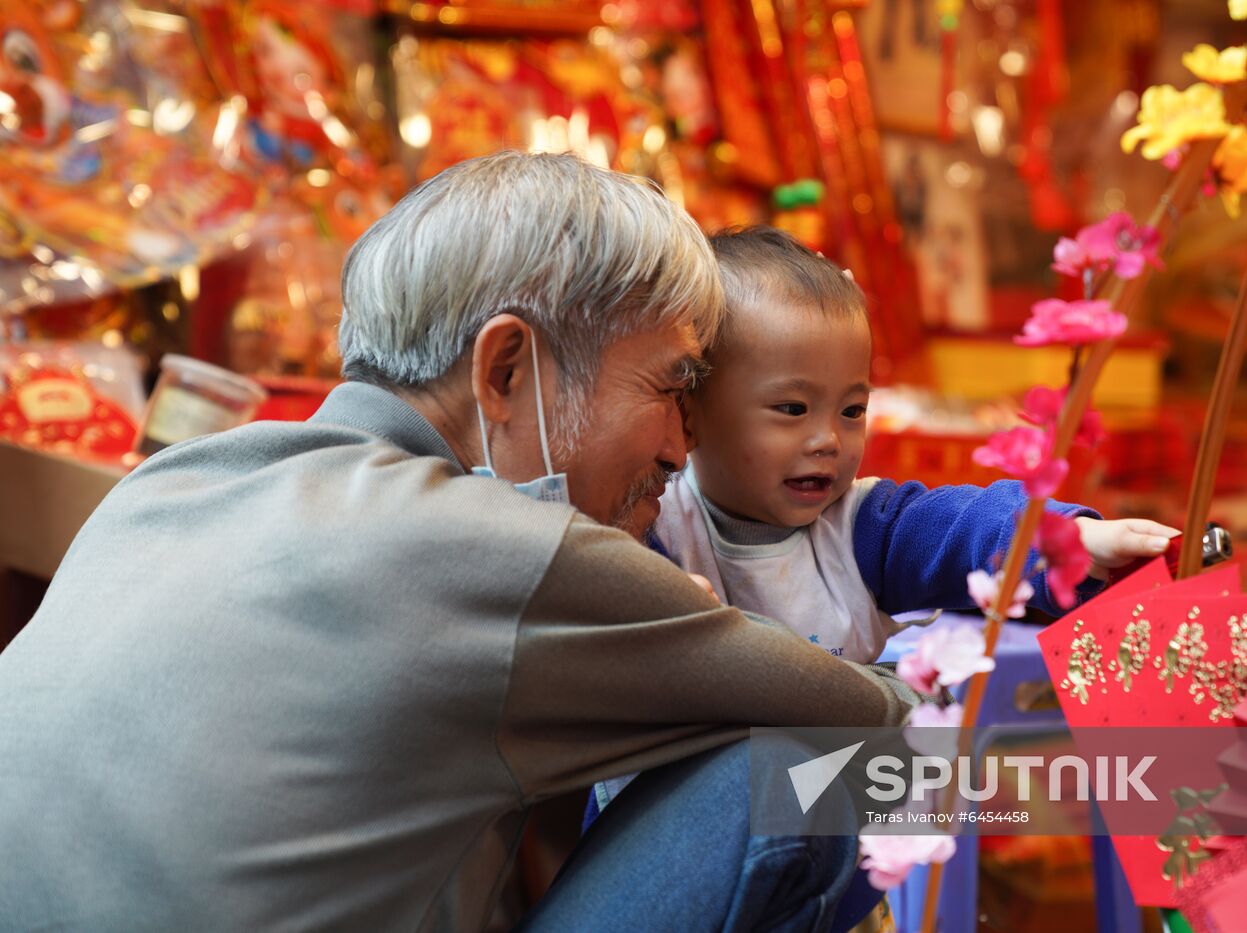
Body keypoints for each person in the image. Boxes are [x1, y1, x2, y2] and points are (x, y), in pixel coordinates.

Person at [0, 153, 921, 932]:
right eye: (669, 388)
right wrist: (1051, 682)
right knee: (814, 767)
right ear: (506, 369)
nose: (682, 449)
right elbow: (893, 731)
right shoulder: (498, 550)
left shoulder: (174, 480)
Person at [654, 225, 1179, 663]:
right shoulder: (657, 527)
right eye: (793, 409)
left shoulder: (860, 529)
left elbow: (964, 525)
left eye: (852, 411)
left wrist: (1070, 540)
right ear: (690, 413)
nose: (828, 440)